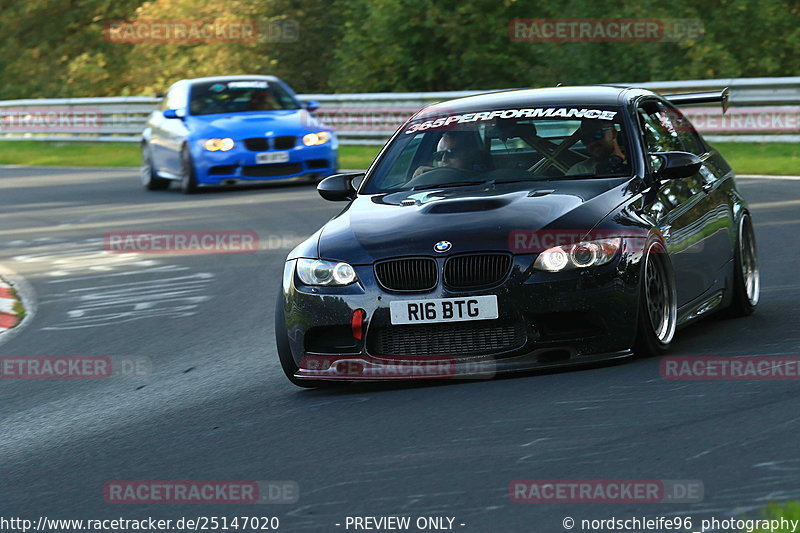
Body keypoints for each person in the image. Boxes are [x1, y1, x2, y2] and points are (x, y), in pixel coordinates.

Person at [412, 130, 486, 178]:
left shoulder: (486, 179)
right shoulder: (430, 183)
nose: (444, 159)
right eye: (439, 155)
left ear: (469, 155)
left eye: (451, 153)